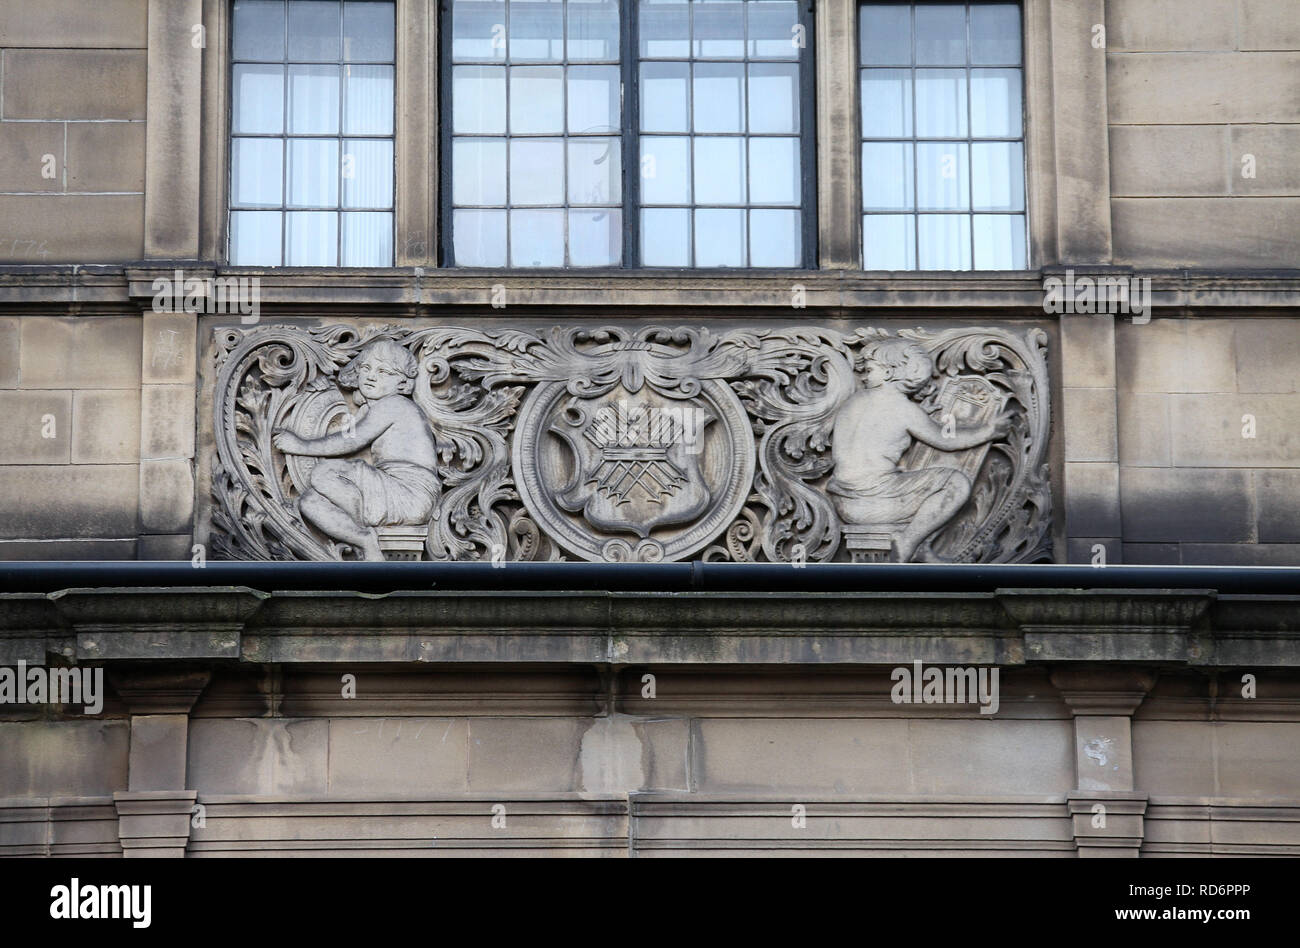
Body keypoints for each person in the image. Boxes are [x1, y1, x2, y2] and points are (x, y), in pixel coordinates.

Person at [828, 339, 1012, 563]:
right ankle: (908, 543)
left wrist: (919, 414)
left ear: (890, 372)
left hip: (844, 502)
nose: (864, 376)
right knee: (955, 482)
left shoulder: (854, 401)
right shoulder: (903, 408)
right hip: (875, 501)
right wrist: (988, 431)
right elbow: (945, 440)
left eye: (869, 369)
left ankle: (920, 547)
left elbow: (878, 428)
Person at [273, 339, 439, 561]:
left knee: (324, 472)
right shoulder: (374, 407)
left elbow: (352, 440)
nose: (371, 376)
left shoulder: (395, 404)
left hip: (408, 491)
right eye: (366, 368)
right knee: (309, 502)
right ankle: (365, 540)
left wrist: (300, 445)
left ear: (402, 384)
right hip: (392, 488)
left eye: (384, 372)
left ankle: (364, 530)